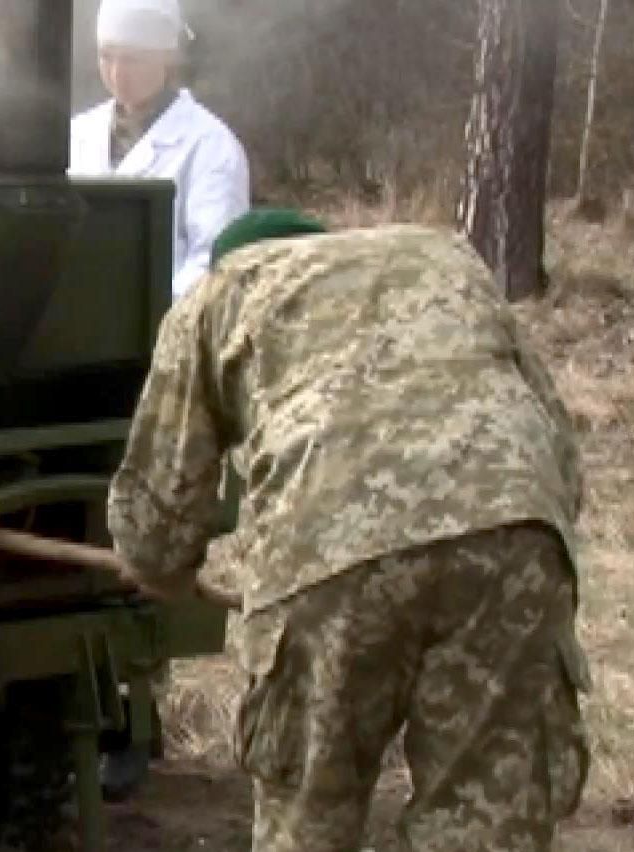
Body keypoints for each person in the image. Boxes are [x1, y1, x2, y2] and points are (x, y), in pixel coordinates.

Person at [105, 209, 591, 851]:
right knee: (485, 825)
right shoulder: (443, 257)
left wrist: (157, 569)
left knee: (309, 818)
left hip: (328, 549)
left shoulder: (218, 293)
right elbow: (561, 454)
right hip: (513, 528)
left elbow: (155, 525)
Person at [69, 0, 249, 300]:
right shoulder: (78, 134)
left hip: (165, 332)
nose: (116, 73)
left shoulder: (211, 147)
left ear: (168, 58)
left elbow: (216, 261)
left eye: (131, 59)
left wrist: (153, 313)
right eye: (106, 56)